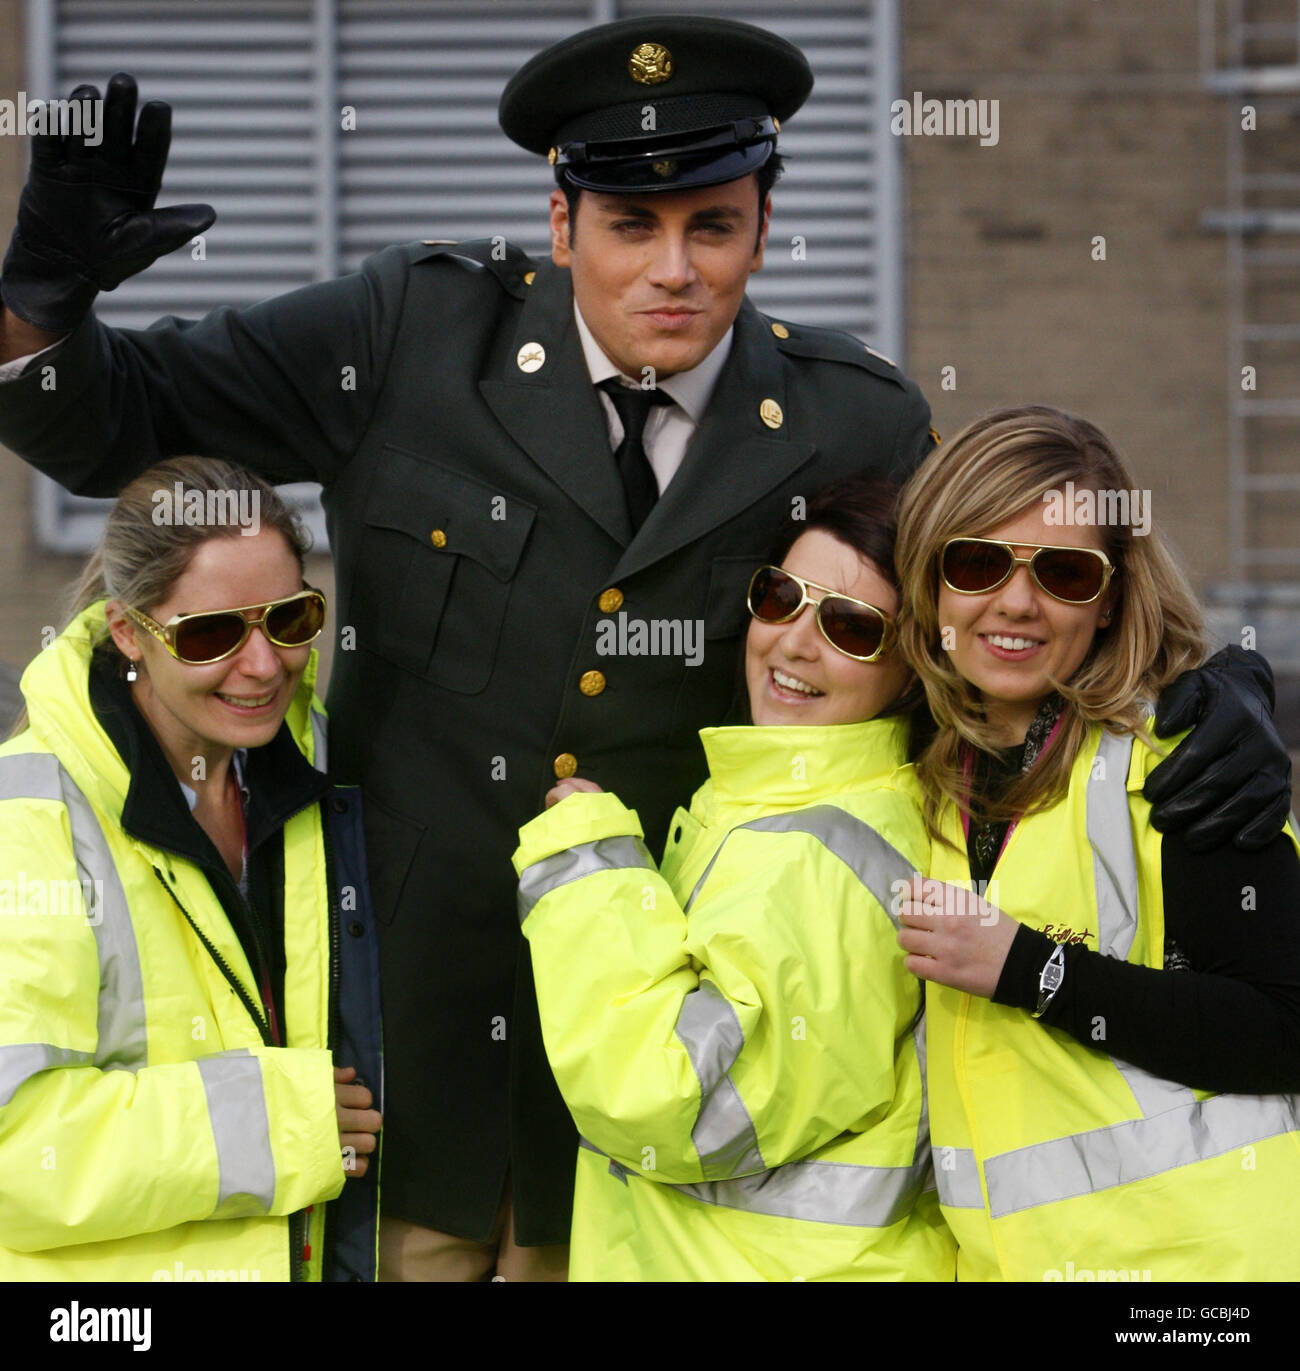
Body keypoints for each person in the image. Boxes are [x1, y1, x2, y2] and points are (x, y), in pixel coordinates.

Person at [0, 16, 1286, 1279]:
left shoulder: (853, 419)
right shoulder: (407, 336)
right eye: (629, 226)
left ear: (762, 230)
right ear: (563, 225)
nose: (672, 268)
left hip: (667, 1058)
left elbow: (995, 602)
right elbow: (125, 422)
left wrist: (1203, 684)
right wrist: (36, 311)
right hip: (404, 1037)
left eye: (712, 225)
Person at [891, 406, 1300, 1282]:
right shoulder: (920, 770)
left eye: (1065, 573)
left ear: (1111, 595)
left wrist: (1032, 969)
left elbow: (1282, 1029)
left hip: (1206, 1282)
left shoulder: (1188, 760)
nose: (1015, 601)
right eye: (976, 560)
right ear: (928, 578)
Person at [512, 478, 954, 1280]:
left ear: (915, 668)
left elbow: (673, 1102)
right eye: (781, 595)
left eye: (852, 628)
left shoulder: (826, 857)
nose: (793, 642)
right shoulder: (775, 800)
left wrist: (585, 866)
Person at [0, 457, 383, 1281]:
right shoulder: (25, 821)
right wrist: (281, 1123)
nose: (262, 665)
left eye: (289, 618)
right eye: (212, 633)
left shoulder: (322, 770)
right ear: (130, 631)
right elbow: (15, 1150)